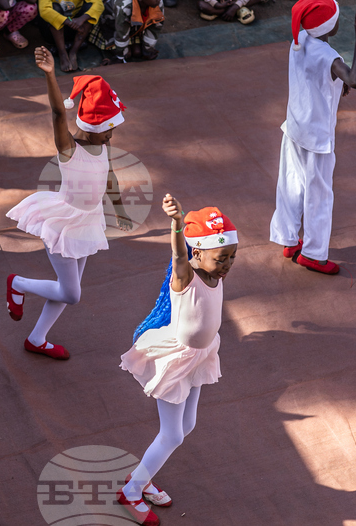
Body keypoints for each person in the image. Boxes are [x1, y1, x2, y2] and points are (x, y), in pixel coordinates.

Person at [117, 197, 237, 526]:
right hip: (175, 357)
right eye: (221, 257)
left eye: (231, 257)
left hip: (201, 355)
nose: (227, 264)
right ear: (196, 253)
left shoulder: (216, 275)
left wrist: (217, 252)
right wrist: (177, 224)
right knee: (172, 435)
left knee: (187, 427)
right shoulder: (185, 276)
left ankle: (143, 473)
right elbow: (178, 253)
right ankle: (131, 491)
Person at [5, 48, 132, 359]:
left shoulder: (102, 147)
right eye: (108, 129)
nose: (112, 136)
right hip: (64, 222)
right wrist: (50, 74)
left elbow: (109, 178)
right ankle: (18, 284)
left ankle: (37, 338)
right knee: (72, 294)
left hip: (88, 223)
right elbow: (58, 113)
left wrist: (120, 211)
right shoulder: (68, 148)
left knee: (66, 288)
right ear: (92, 126)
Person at [269, 0, 356, 275]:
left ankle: (289, 239)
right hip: (317, 138)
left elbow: (315, 75)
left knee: (290, 184)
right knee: (319, 194)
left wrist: (338, 84)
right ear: (329, 27)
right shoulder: (329, 55)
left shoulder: (298, 39)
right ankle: (313, 254)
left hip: (295, 126)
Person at [90, 0, 164, 64]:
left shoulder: (158, 3)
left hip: (133, 27)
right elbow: (121, 33)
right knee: (127, 55)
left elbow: (155, 27)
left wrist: (148, 49)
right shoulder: (124, 6)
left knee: (138, 52)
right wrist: (120, 56)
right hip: (112, 26)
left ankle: (133, 46)